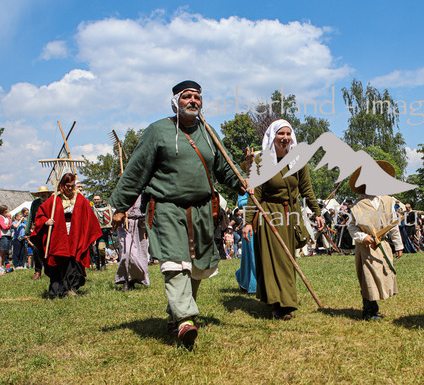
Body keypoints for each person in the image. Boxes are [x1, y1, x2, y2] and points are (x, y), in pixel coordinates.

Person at [110, 80, 247, 348]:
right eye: (187, 97)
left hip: (202, 210)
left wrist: (241, 181)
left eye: (197, 97)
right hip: (166, 207)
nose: (193, 101)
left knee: (196, 264)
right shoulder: (158, 132)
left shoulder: (208, 132)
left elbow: (224, 167)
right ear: (175, 102)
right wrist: (121, 206)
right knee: (175, 262)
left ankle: (175, 314)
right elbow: (136, 170)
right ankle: (185, 320)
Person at [242, 119, 324, 320]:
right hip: (270, 214)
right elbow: (255, 194)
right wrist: (248, 222)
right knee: (276, 259)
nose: (285, 138)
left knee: (287, 259)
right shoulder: (261, 162)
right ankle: (282, 305)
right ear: (273, 136)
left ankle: (279, 300)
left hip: (291, 215)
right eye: (281, 134)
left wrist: (317, 212)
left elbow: (306, 189)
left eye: (288, 134)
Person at [347, 160, 404, 320]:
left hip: (382, 245)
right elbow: (351, 226)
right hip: (366, 248)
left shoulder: (388, 201)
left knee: (383, 275)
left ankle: (374, 308)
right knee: (368, 278)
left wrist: (398, 245)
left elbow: (393, 225)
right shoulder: (359, 205)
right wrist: (362, 237)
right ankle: (369, 310)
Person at [30, 173, 102, 298]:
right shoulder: (54, 199)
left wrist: (90, 236)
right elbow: (40, 215)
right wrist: (46, 221)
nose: (69, 188)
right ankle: (57, 289)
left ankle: (71, 288)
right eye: (67, 185)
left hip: (76, 233)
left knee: (74, 260)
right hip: (58, 233)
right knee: (59, 259)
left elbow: (89, 217)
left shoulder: (80, 199)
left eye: (72, 186)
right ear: (62, 185)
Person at [114, 195, 150, 291]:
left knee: (139, 254)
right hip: (125, 225)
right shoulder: (123, 192)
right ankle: (125, 279)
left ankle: (134, 280)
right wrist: (121, 211)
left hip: (140, 224)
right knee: (127, 253)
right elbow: (116, 207)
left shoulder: (144, 193)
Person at [26, 186, 54, 279]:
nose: (43, 194)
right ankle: (37, 271)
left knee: (49, 249)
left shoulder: (52, 202)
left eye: (45, 192)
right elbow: (31, 216)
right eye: (41, 193)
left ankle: (48, 270)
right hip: (38, 228)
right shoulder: (35, 203)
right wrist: (27, 231)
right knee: (36, 249)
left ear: (48, 193)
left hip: (49, 228)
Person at [235, 192, 257, 294]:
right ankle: (251, 284)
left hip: (267, 221)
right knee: (252, 256)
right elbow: (241, 203)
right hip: (250, 224)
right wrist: (256, 199)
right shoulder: (247, 184)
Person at [91, 195, 113, 271]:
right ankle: (97, 267)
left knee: (101, 248)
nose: (96, 201)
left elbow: (108, 218)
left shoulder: (106, 208)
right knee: (95, 250)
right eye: (95, 199)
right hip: (94, 233)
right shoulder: (92, 209)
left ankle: (103, 264)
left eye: (97, 199)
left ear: (100, 200)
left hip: (103, 232)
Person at [0, 206, 12, 273]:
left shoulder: (6, 217)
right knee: (1, 251)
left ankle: (2, 265)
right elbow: (4, 227)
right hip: (3, 235)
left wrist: (8, 226)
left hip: (8, 235)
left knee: (5, 251)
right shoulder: (0, 217)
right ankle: (0, 265)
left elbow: (9, 224)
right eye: (6, 210)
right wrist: (7, 227)